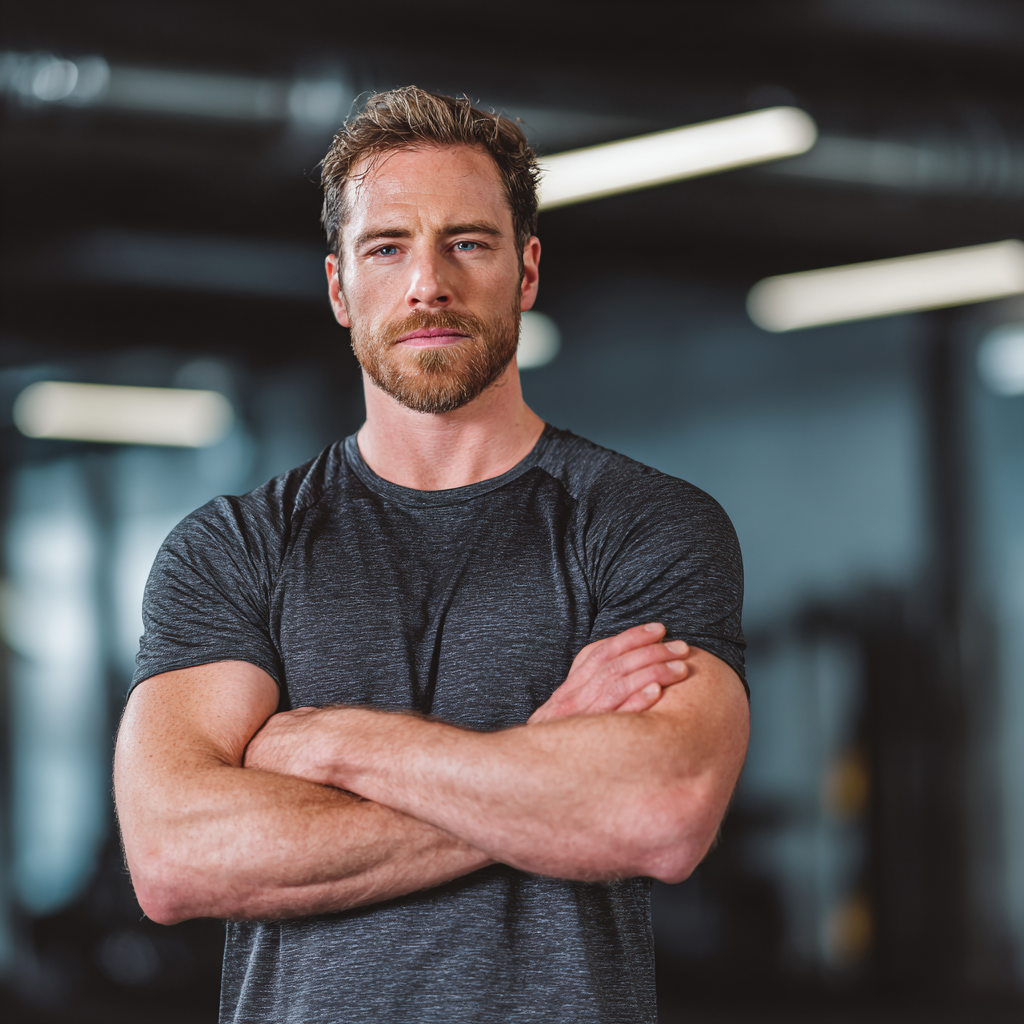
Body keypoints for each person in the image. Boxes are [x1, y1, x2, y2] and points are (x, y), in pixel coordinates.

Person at [114, 86, 749, 1024]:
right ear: (339, 287)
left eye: (468, 241)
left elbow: (659, 811)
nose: (427, 283)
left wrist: (330, 742)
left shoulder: (643, 525)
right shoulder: (236, 549)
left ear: (527, 271)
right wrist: (542, 766)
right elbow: (172, 854)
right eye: (387, 247)